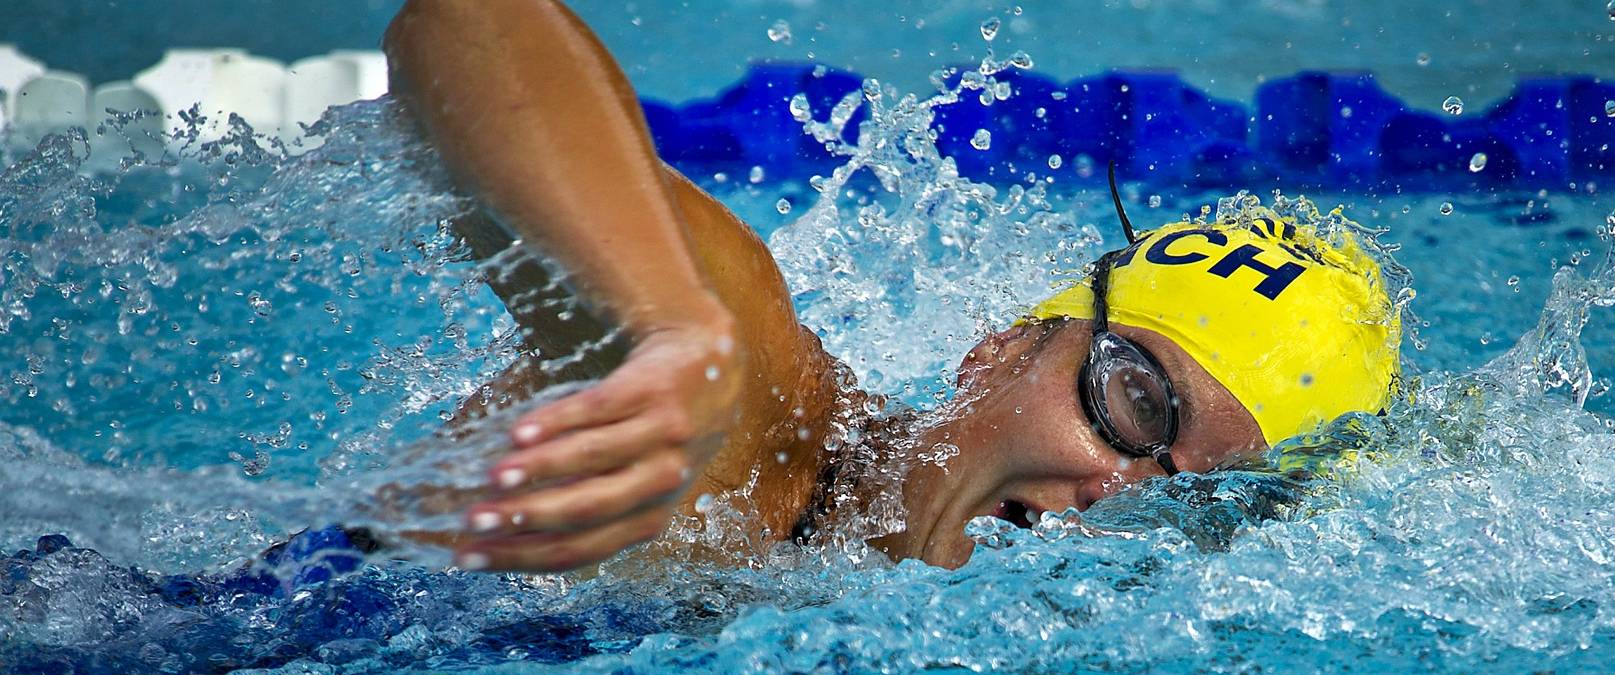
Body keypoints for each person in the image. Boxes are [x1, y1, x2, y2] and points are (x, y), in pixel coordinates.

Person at [380, 0, 1401, 573]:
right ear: (1000, 350)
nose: (1115, 494)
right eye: (1133, 405)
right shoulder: (752, 422)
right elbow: (467, 30)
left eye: (1200, 501)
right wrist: (670, 327)